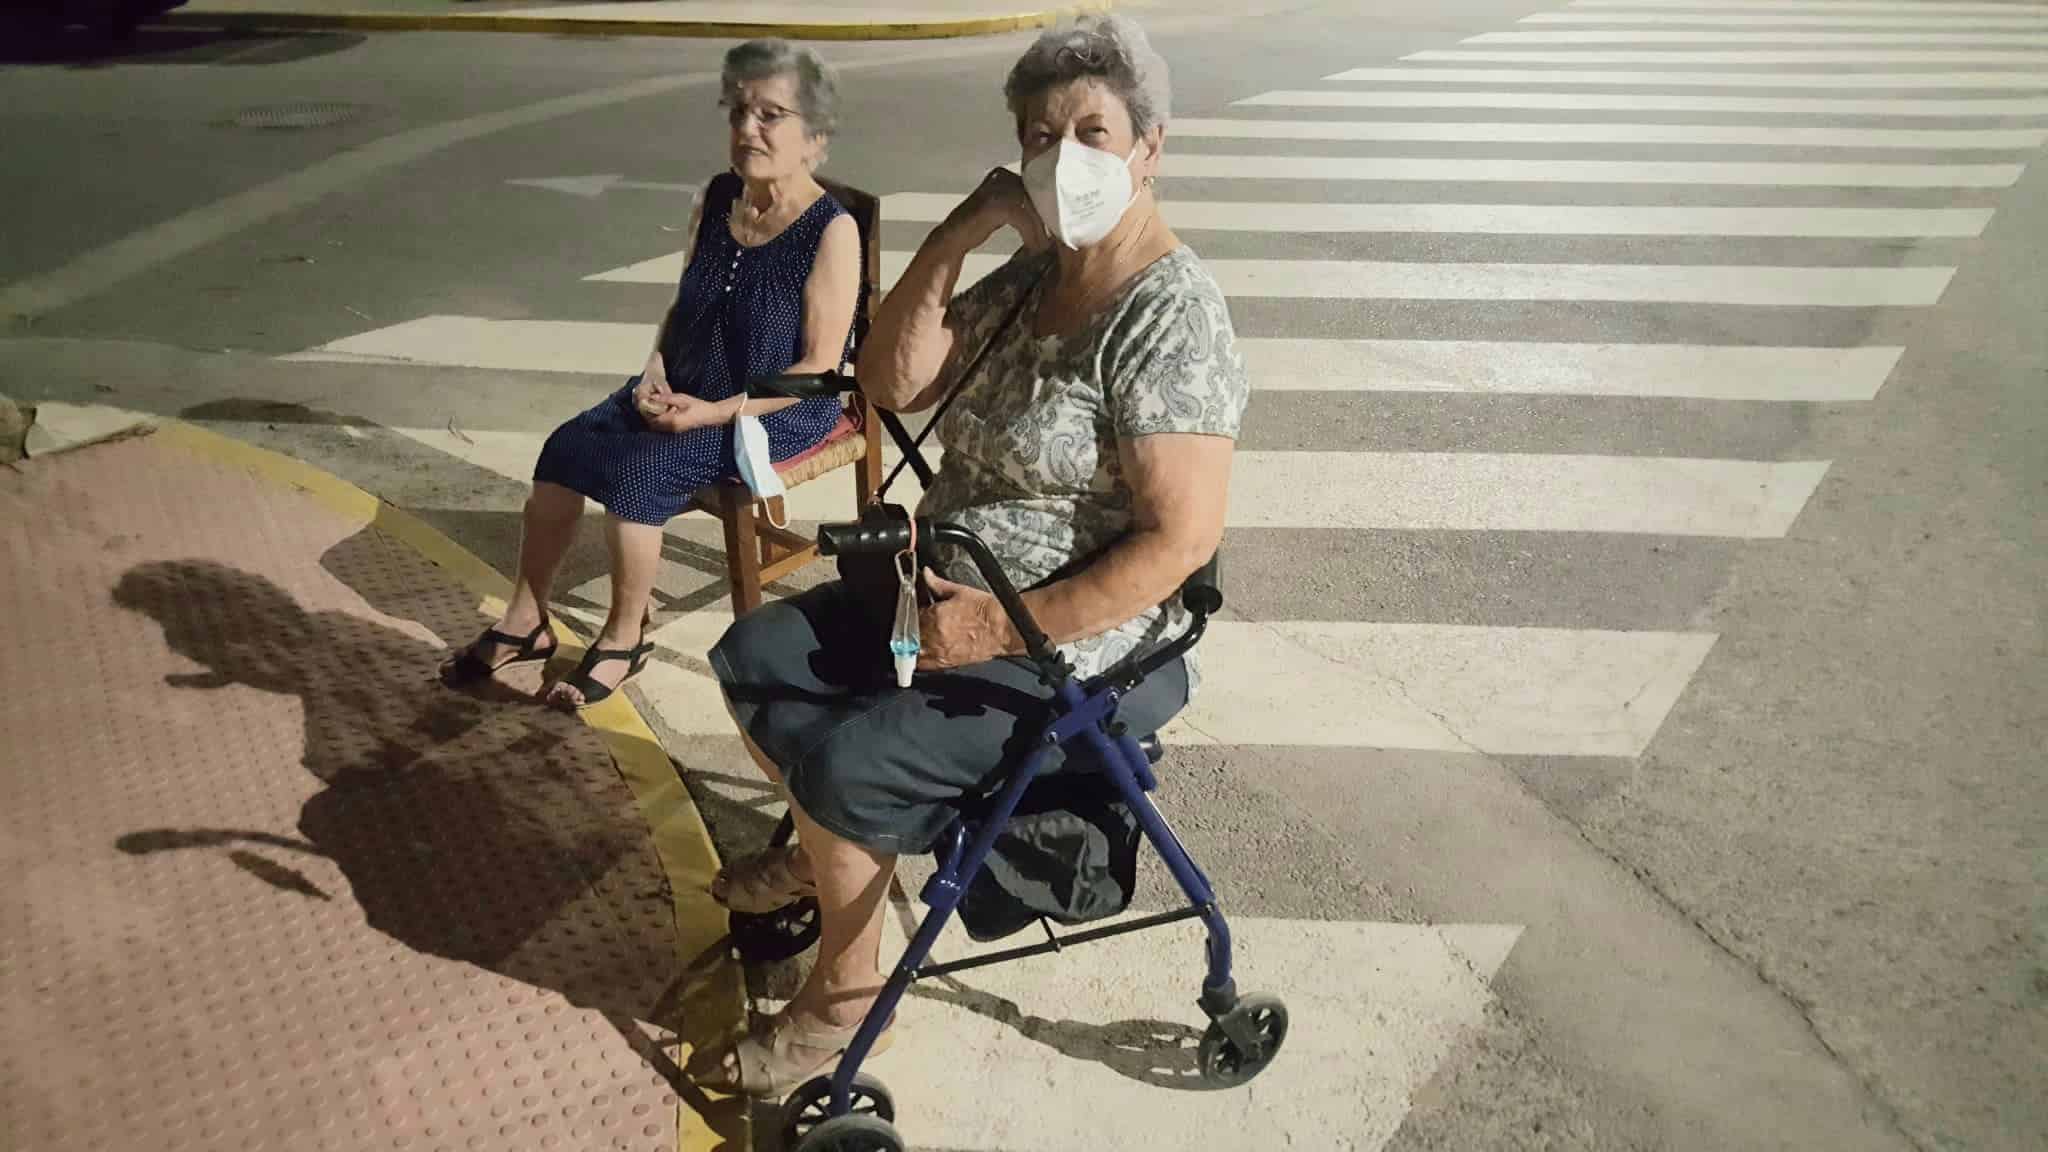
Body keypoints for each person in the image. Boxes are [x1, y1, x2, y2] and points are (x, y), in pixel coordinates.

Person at [693, 13, 1251, 1097]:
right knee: (757, 656)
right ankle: (830, 857)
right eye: (1040, 139)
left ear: (1149, 146)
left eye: (1092, 132)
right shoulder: (1040, 277)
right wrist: (962, 231)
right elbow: (892, 383)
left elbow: (1182, 539)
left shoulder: (1168, 315)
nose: (1063, 161)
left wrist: (999, 624)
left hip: (1068, 641)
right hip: (940, 584)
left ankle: (846, 995)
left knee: (847, 762)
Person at [437, 38, 861, 710]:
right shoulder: (721, 195)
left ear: (815, 140)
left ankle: (624, 638)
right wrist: (653, 369)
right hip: (686, 384)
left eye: (770, 115)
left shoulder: (830, 231)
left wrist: (712, 413)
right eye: (739, 113)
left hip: (771, 409)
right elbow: (682, 306)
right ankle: (526, 621)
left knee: (639, 476)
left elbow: (817, 370)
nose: (748, 128)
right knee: (566, 448)